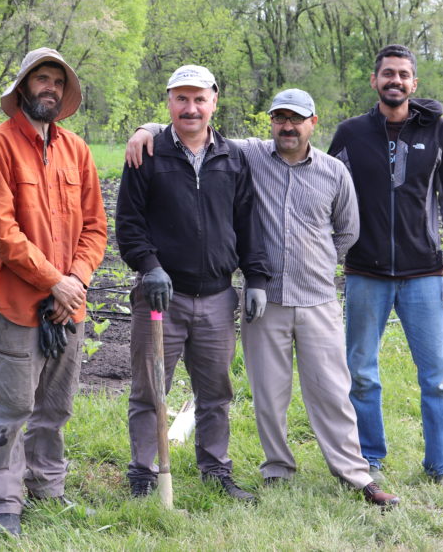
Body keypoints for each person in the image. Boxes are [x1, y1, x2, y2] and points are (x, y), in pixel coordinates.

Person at [124, 89, 400, 508]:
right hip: (266, 300)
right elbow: (192, 128)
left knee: (332, 391)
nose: (288, 126)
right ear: (270, 122)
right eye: (280, 118)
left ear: (313, 122)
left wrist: (316, 260)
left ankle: (354, 473)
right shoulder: (248, 155)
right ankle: (277, 469)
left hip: (317, 299)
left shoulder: (333, 172)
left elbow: (348, 232)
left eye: (297, 119)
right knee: (269, 395)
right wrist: (147, 129)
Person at [116, 65, 270, 502]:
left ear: (214, 102)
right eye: (181, 98)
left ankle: (216, 470)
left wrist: (254, 277)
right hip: (161, 296)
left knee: (216, 391)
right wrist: (149, 266)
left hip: (219, 297)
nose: (191, 107)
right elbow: (128, 223)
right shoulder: (146, 153)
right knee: (150, 388)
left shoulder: (233, 157)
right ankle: (144, 474)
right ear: (168, 102)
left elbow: (248, 222)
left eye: (199, 98)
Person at [0, 47, 107, 537]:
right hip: (15, 301)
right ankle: (4, 501)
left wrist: (76, 282)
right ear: (23, 87)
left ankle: (48, 487)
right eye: (40, 79)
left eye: (56, 81)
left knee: (56, 406)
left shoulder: (77, 150)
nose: (48, 87)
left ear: (63, 92)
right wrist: (55, 281)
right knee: (13, 407)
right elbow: (3, 232)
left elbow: (95, 226)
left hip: (68, 305)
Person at [327, 44, 443, 490]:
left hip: (425, 273)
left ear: (414, 83)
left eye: (404, 75)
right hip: (365, 273)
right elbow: (321, 188)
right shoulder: (350, 133)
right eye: (388, 73)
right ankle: (370, 457)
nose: (396, 81)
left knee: (439, 377)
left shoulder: (437, 130)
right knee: (362, 373)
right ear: (374, 80)